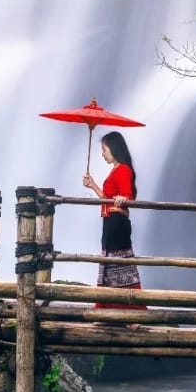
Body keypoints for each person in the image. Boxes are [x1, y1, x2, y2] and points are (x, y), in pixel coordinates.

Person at [82, 131, 146, 311]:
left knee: (120, 263)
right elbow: (108, 199)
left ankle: (130, 311)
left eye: (104, 149)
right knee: (110, 263)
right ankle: (109, 309)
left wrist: (123, 198)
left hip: (117, 222)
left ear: (114, 148)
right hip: (110, 221)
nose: (102, 154)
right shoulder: (116, 169)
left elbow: (128, 196)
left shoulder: (123, 169)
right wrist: (93, 185)